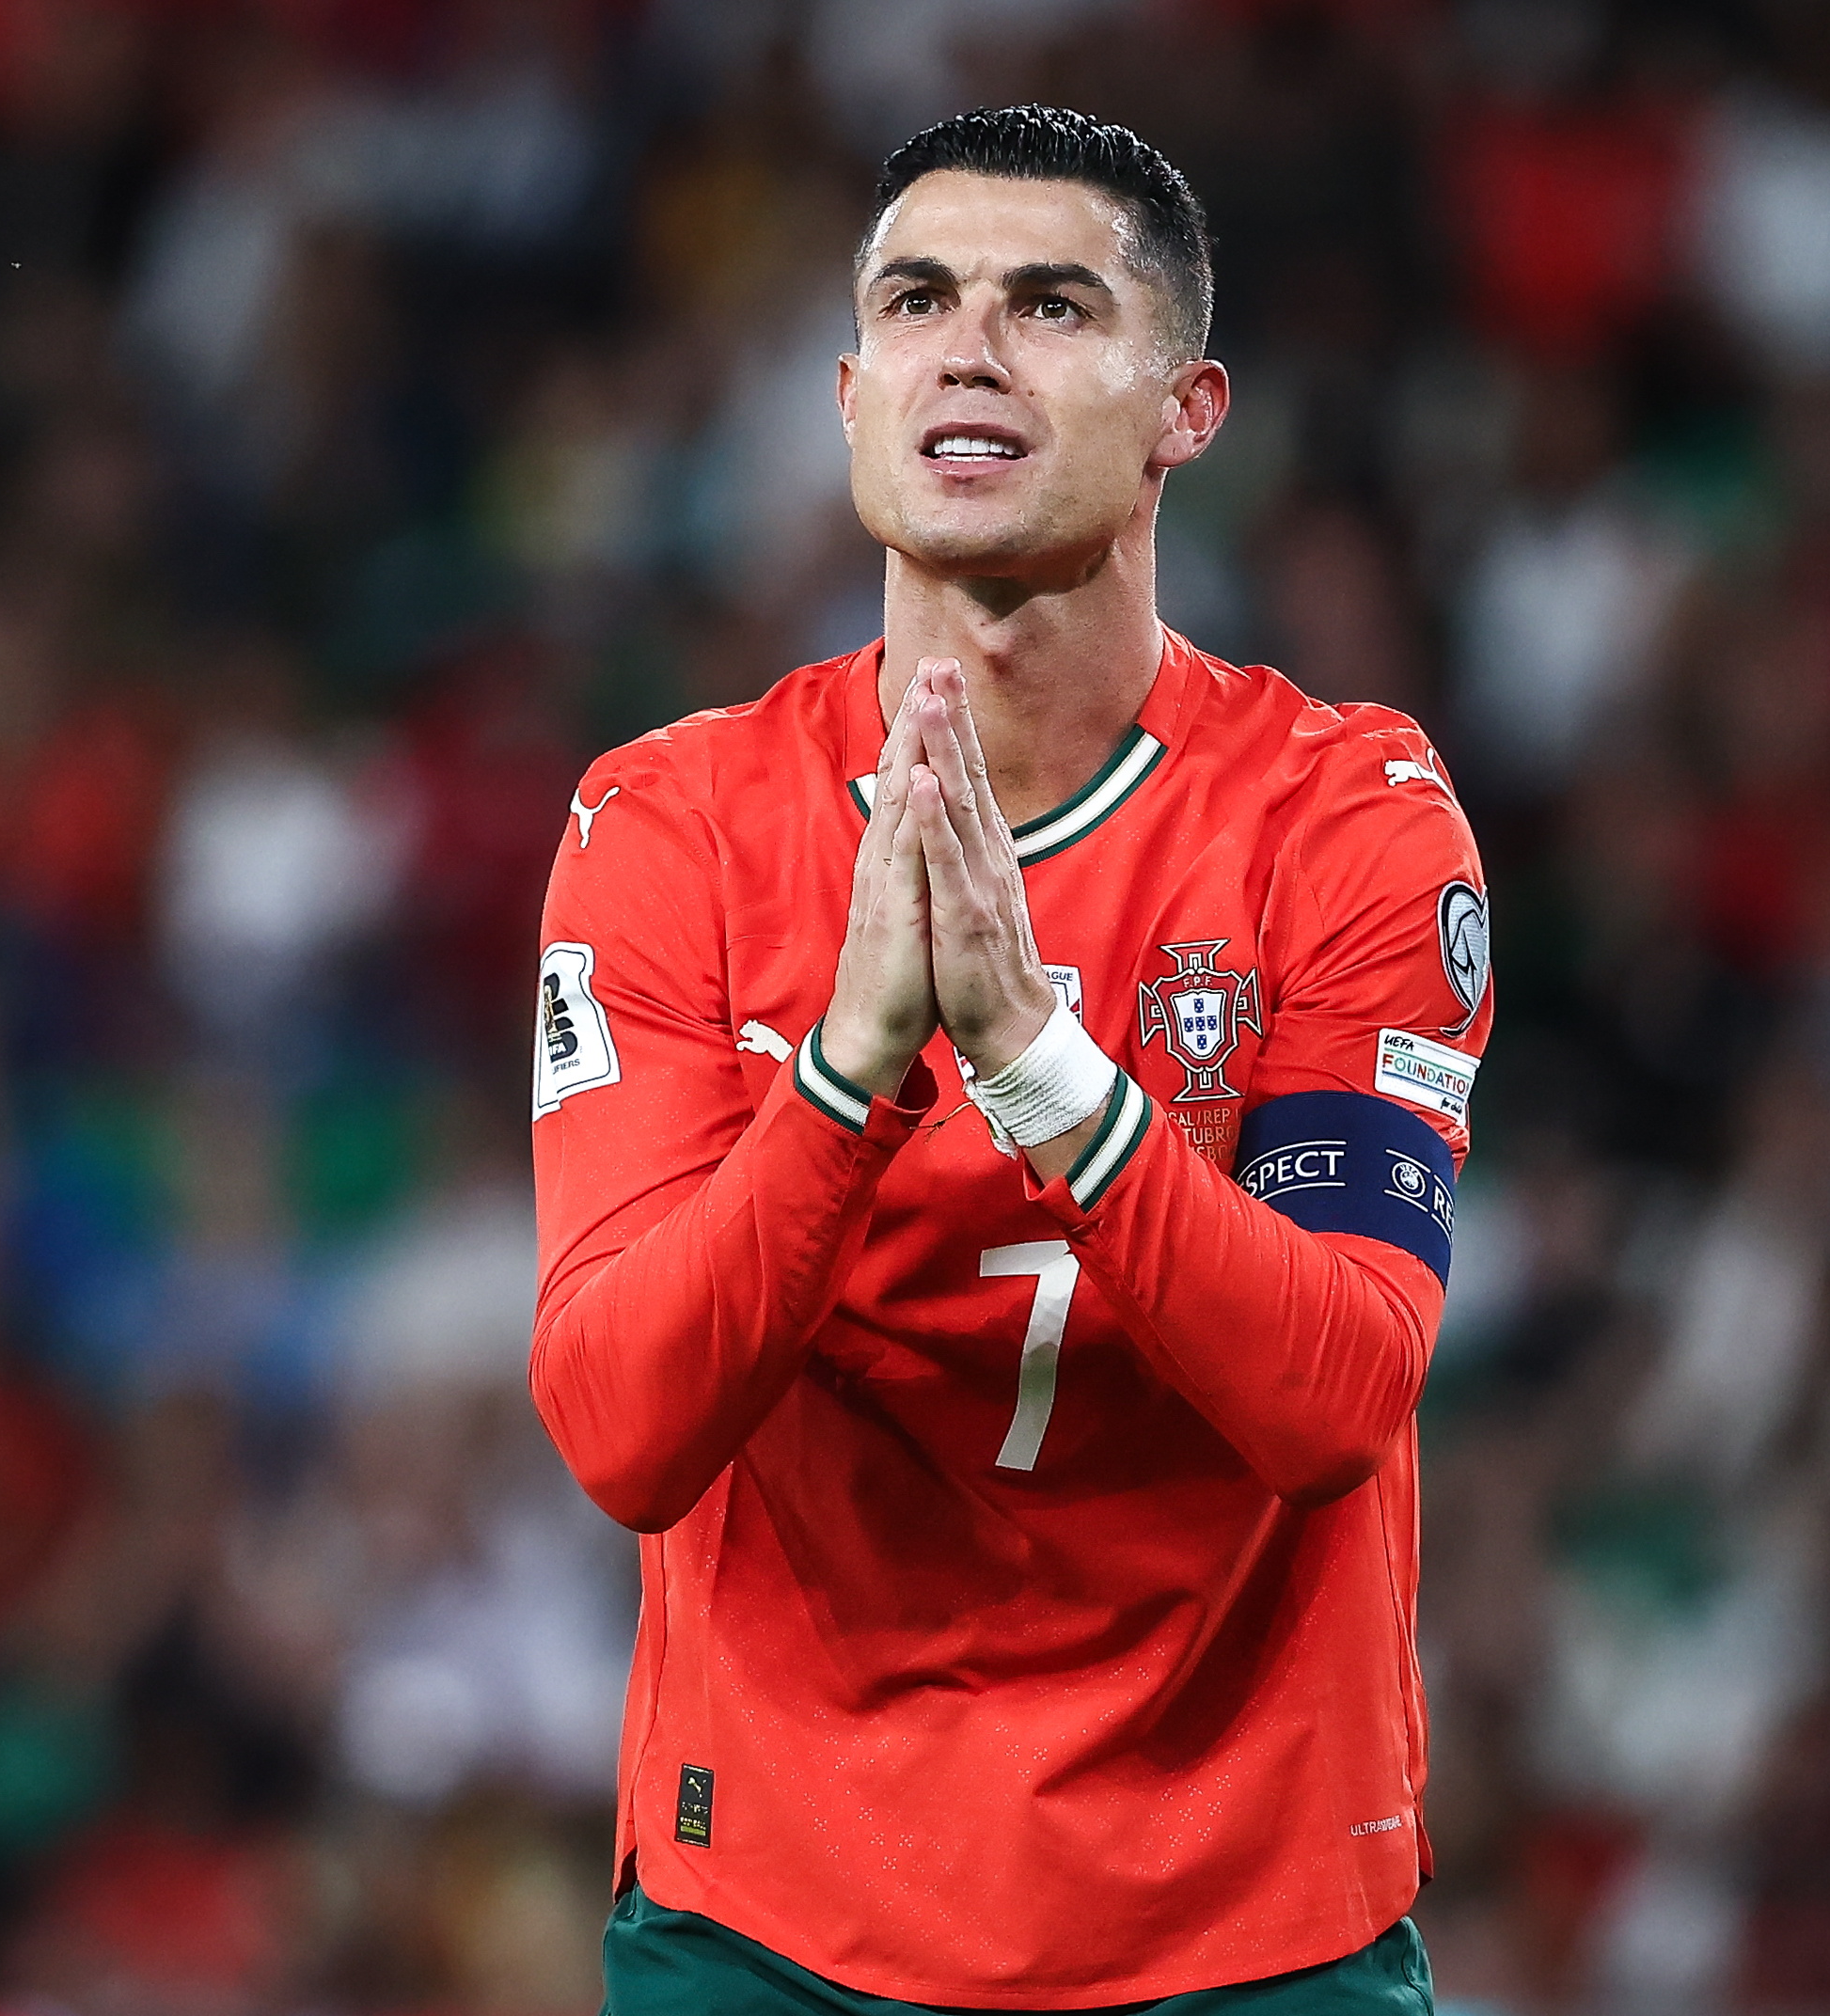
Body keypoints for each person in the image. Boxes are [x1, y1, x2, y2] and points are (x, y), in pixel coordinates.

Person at [528, 107, 1487, 2012]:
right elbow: (619, 1426)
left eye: (1048, 304)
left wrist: (1039, 1069)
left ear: (1186, 409)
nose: (966, 348)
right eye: (916, 301)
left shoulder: (1346, 821)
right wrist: (846, 1070)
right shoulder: (667, 826)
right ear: (847, 389)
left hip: (1241, 1926)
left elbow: (1333, 1392)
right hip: (775, 1925)